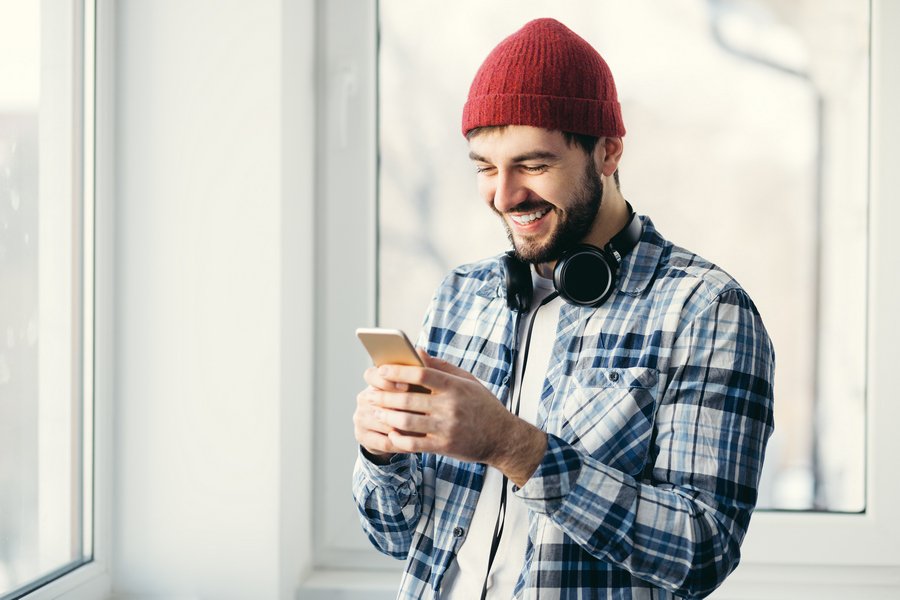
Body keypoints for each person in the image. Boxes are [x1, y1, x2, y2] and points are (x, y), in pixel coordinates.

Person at [352, 17, 775, 600]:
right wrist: (382, 453)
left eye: (532, 164)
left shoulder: (705, 310)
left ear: (608, 151)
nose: (503, 196)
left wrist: (511, 446)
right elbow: (395, 537)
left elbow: (703, 551)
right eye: (484, 167)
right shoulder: (460, 296)